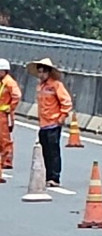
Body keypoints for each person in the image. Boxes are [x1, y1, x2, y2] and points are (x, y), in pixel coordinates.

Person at [26, 58, 72, 188]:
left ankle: (54, 177)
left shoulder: (56, 85)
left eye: (43, 72)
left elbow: (66, 102)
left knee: (53, 151)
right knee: (44, 151)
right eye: (39, 72)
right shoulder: (40, 86)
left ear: (49, 73)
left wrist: (62, 117)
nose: (41, 75)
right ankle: (47, 176)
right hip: (43, 124)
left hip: (53, 123)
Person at [0, 59, 21, 171]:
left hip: (4, 115)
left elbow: (16, 96)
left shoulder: (9, 82)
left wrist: (10, 108)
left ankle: (7, 161)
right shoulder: (1, 81)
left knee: (4, 139)